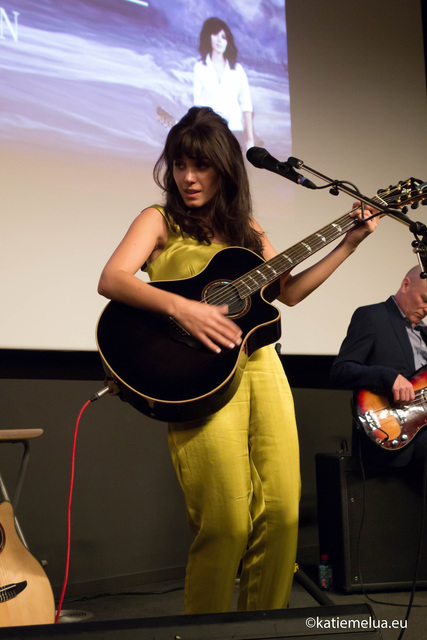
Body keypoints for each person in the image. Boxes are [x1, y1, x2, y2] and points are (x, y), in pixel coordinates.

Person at [98, 106, 379, 614]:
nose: (188, 177)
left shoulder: (247, 228)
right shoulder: (157, 220)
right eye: (180, 165)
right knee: (225, 524)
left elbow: (288, 293)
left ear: (224, 168)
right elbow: (113, 279)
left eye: (200, 166)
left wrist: (348, 245)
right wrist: (183, 306)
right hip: (198, 377)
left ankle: (262, 625)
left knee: (283, 513)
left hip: (262, 368)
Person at [331, 265, 427, 467]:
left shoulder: (424, 333)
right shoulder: (373, 316)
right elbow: (340, 371)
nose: (426, 309)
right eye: (424, 299)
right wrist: (388, 376)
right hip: (395, 434)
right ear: (405, 284)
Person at [193, 17, 255, 150]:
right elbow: (197, 104)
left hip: (234, 131)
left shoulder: (237, 70)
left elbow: (246, 105)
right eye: (215, 34)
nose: (219, 40)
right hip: (209, 134)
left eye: (224, 37)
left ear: (228, 41)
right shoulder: (200, 67)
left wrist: (249, 139)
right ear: (208, 37)